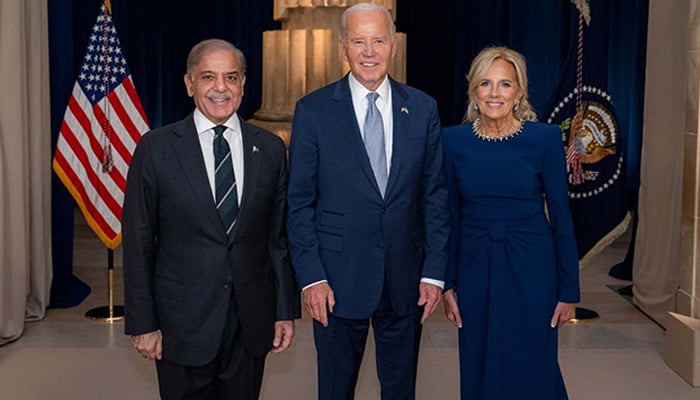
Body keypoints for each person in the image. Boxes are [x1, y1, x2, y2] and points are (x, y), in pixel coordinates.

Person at [287, 3, 449, 399]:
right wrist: (311, 277)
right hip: (336, 283)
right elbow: (299, 204)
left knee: (400, 390)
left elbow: (435, 197)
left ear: (393, 46)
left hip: (405, 281)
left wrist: (433, 274)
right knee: (335, 390)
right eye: (359, 41)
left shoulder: (423, 109)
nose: (369, 51)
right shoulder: (313, 111)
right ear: (343, 47)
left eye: (378, 40)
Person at [122, 38, 300, 400]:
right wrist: (143, 323)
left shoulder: (269, 149)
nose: (221, 88)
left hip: (250, 321)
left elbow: (277, 241)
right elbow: (139, 242)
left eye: (231, 77)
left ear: (243, 84)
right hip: (181, 324)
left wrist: (284, 312)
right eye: (208, 77)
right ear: (190, 84)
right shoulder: (156, 149)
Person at [441, 46, 580, 399]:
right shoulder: (451, 141)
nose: (494, 93)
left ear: (519, 91)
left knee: (533, 360)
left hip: (533, 265)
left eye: (505, 84)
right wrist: (448, 283)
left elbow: (561, 216)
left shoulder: (544, 138)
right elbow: (451, 217)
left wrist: (568, 290)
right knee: (479, 357)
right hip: (475, 265)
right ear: (473, 90)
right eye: (485, 83)